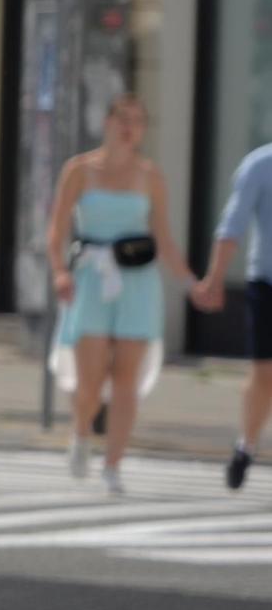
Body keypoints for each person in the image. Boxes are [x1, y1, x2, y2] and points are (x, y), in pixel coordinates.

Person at [44, 94, 202, 493]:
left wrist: (190, 283)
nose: (128, 127)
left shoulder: (151, 176)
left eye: (137, 121)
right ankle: (81, 432)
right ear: (108, 122)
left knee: (126, 381)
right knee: (90, 385)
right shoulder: (79, 170)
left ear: (143, 130)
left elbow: (163, 239)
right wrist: (60, 272)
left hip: (137, 281)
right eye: (122, 119)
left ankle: (113, 465)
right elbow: (56, 231)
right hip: (92, 279)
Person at [190, 136, 271, 490]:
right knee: (265, 374)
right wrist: (215, 277)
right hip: (267, 283)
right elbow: (232, 223)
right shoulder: (259, 164)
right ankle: (246, 447)